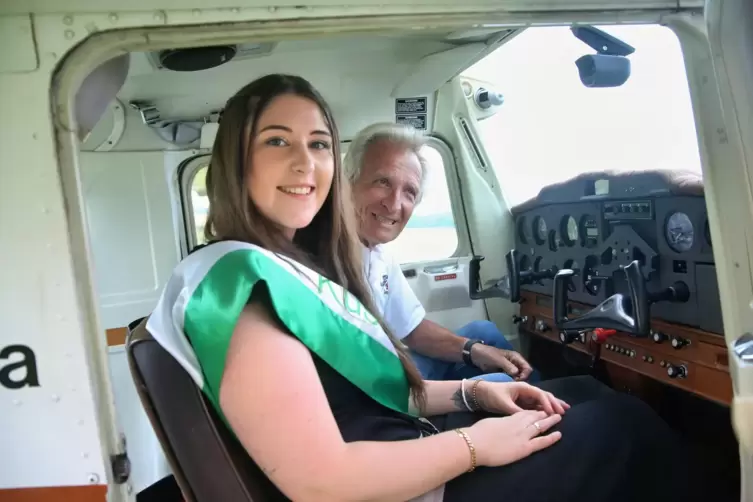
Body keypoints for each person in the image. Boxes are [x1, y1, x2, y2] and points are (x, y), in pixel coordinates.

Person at [145, 73, 702, 502]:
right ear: (235, 161)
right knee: (624, 425)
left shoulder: (277, 265)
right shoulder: (243, 286)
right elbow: (321, 482)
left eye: (318, 144)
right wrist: (473, 445)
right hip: (400, 486)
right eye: (276, 141)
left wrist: (474, 393)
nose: (304, 163)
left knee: (581, 393)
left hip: (394, 447)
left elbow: (360, 397)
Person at [344, 122, 539, 383]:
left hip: (388, 370)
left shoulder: (377, 252)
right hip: (373, 391)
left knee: (483, 333)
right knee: (503, 385)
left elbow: (412, 329)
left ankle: (543, 402)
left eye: (409, 192)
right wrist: (469, 393)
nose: (393, 204)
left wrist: (473, 350)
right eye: (382, 182)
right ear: (347, 184)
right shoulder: (328, 256)